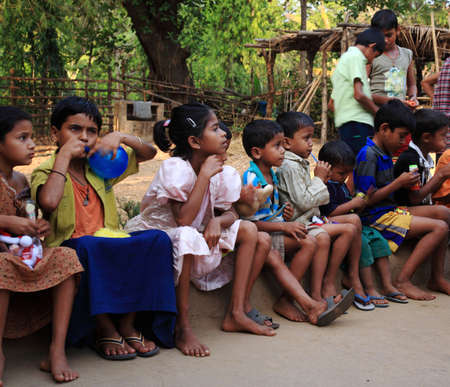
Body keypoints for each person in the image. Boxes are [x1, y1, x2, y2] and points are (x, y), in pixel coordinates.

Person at [125, 103, 278, 359]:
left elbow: (232, 212)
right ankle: (182, 326)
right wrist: (204, 176)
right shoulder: (176, 169)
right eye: (216, 128)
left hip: (194, 233)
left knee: (250, 231)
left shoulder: (222, 170)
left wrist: (219, 221)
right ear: (195, 141)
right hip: (158, 235)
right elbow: (183, 220)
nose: (224, 135)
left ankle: (236, 311)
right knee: (187, 236)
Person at [31, 97, 177, 361]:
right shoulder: (44, 171)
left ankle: (128, 324)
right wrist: (63, 156)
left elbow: (149, 153)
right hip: (71, 248)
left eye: (92, 131)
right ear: (55, 132)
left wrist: (119, 136)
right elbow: (49, 202)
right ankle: (103, 327)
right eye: (74, 129)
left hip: (108, 241)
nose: (84, 138)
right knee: (89, 246)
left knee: (157, 240)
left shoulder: (102, 165)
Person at [240, 119, 354, 325]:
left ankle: (305, 301)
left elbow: (268, 211)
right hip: (261, 236)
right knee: (310, 241)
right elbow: (249, 222)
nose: (282, 150)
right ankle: (295, 301)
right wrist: (284, 225)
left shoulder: (271, 174)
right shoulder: (252, 179)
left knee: (310, 240)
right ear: (257, 152)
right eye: (277, 145)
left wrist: (284, 212)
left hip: (271, 232)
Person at [0, 107, 83, 384]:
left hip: (21, 255)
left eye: (32, 137)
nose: (32, 144)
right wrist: (9, 222)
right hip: (2, 260)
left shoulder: (21, 180)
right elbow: (12, 224)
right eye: (22, 138)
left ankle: (56, 350)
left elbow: (30, 221)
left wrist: (38, 227)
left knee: (66, 257)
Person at [354, 99, 450, 300]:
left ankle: (437, 277)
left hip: (390, 210)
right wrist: (398, 183)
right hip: (376, 217)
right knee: (439, 227)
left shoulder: (385, 152)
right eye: (402, 136)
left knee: (444, 214)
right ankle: (403, 280)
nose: (405, 141)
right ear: (384, 129)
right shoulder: (368, 155)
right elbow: (365, 200)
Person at [275, 112, 359, 304]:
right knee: (344, 230)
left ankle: (322, 288)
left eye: (311, 138)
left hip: (308, 221)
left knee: (347, 229)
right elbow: (304, 201)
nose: (311, 144)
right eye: (306, 138)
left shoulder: (299, 164)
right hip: (299, 223)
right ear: (287, 142)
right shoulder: (289, 167)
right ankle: (320, 289)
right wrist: (320, 179)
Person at [318, 140, 408, 309]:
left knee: (379, 242)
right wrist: (353, 205)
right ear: (326, 168)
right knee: (364, 244)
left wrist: (362, 201)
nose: (344, 177)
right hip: (332, 224)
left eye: (347, 173)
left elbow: (350, 211)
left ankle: (387, 285)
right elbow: (329, 212)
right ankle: (364, 285)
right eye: (340, 172)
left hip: (352, 224)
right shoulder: (325, 185)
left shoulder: (341, 186)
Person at [369, 9, 418, 160]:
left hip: (400, 116)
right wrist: (391, 101)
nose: (385, 40)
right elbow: (362, 92)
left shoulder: (407, 54)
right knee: (376, 156)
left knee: (400, 157)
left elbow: (411, 85)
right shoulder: (371, 55)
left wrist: (414, 97)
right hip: (375, 115)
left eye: (389, 35)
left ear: (398, 30)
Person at [330, 27, 385, 156]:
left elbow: (331, 104)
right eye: (375, 56)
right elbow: (359, 95)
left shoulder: (345, 60)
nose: (372, 61)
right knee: (363, 165)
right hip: (358, 125)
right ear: (372, 46)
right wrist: (378, 113)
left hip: (349, 125)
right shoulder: (356, 57)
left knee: (354, 166)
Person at [394, 109, 450, 225]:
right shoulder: (411, 160)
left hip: (416, 208)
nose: (447, 140)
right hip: (399, 210)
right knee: (442, 213)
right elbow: (415, 198)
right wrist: (441, 175)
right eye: (443, 136)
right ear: (426, 138)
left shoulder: (424, 156)